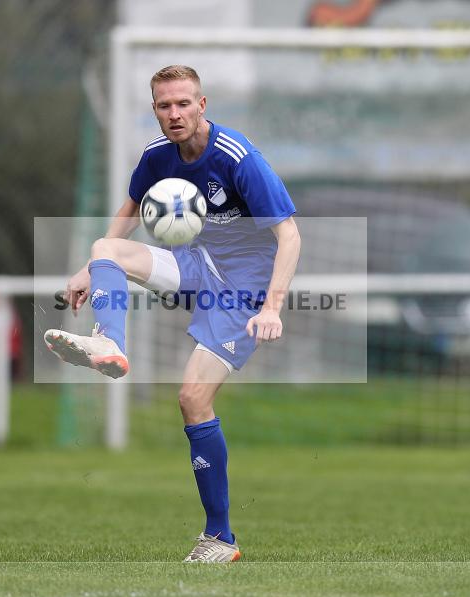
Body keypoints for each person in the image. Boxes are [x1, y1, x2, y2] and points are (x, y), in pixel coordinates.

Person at [45, 65, 301, 563]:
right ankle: (109, 341)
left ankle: (219, 540)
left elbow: (289, 235)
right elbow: (128, 210)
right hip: (194, 266)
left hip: (241, 294)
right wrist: (90, 267)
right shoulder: (157, 156)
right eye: (165, 106)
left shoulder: (238, 157)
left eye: (184, 103)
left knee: (191, 399)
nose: (174, 113)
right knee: (107, 246)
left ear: (202, 105)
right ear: (155, 110)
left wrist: (273, 307)